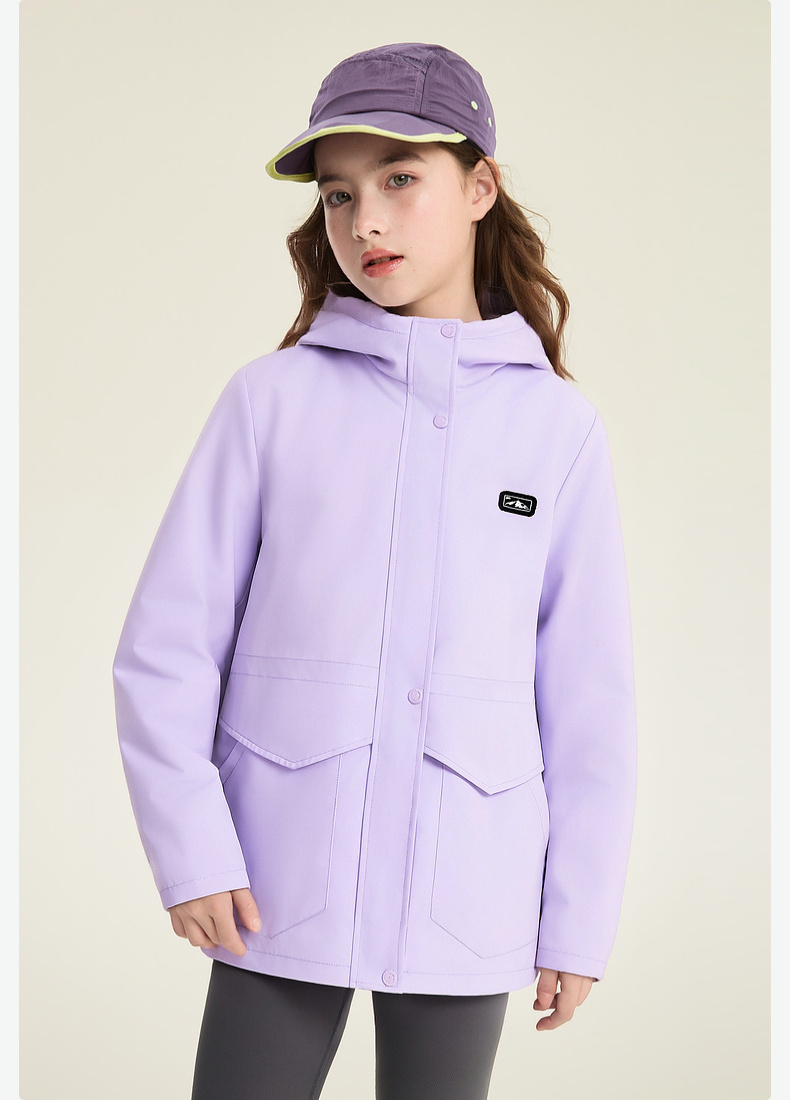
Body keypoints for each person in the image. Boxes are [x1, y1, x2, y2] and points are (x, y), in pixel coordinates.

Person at [112, 41, 638, 1100]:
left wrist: (576, 917)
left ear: (480, 187)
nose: (365, 223)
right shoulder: (271, 401)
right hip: (273, 876)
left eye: (401, 178)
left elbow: (588, 698)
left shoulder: (555, 430)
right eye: (340, 194)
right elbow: (166, 649)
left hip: (470, 878)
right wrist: (193, 850)